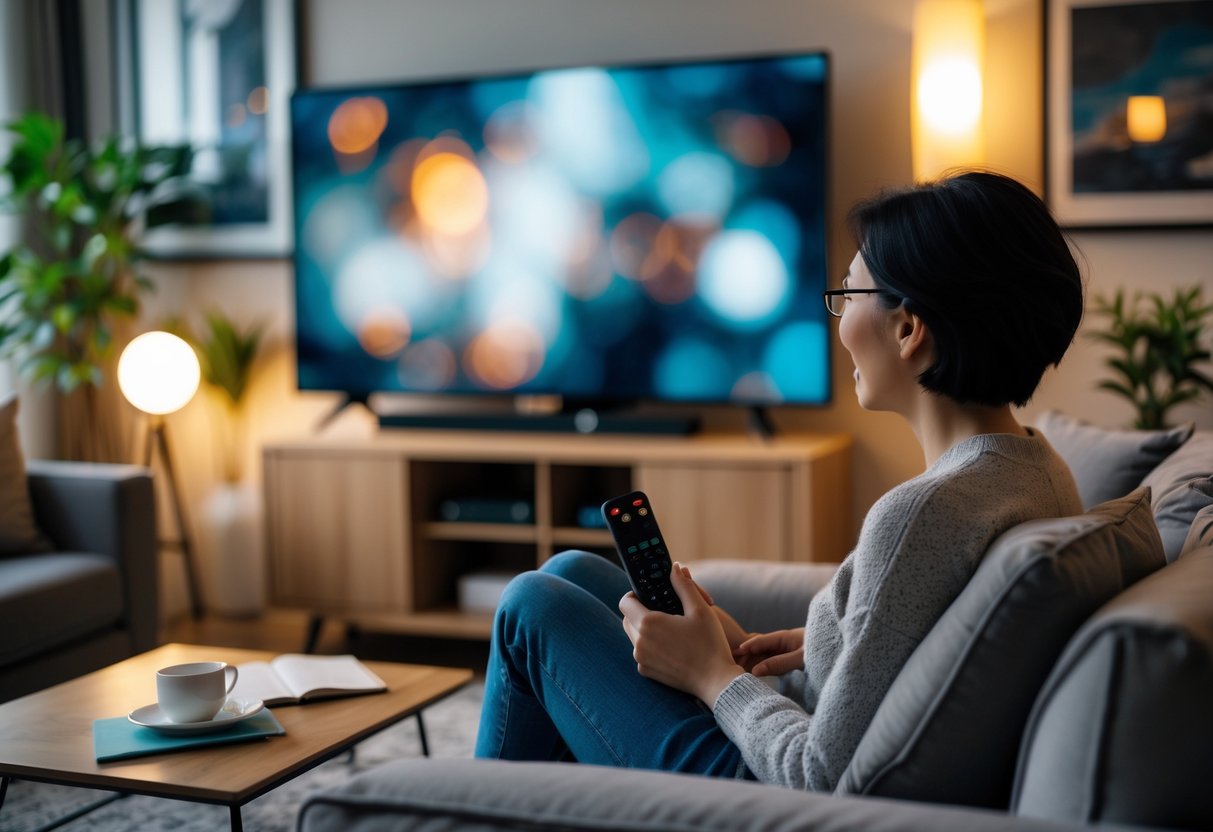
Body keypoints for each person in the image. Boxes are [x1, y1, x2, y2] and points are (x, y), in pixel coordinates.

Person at [474, 170, 1086, 791]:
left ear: (908, 329)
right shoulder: (1036, 468)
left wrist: (714, 676)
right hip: (785, 737)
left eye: (848, 295)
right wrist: (816, 647)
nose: (840, 321)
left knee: (530, 605)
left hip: (763, 794)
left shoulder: (924, 513)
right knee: (571, 573)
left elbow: (816, 776)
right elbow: (900, 662)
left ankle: (460, 808)